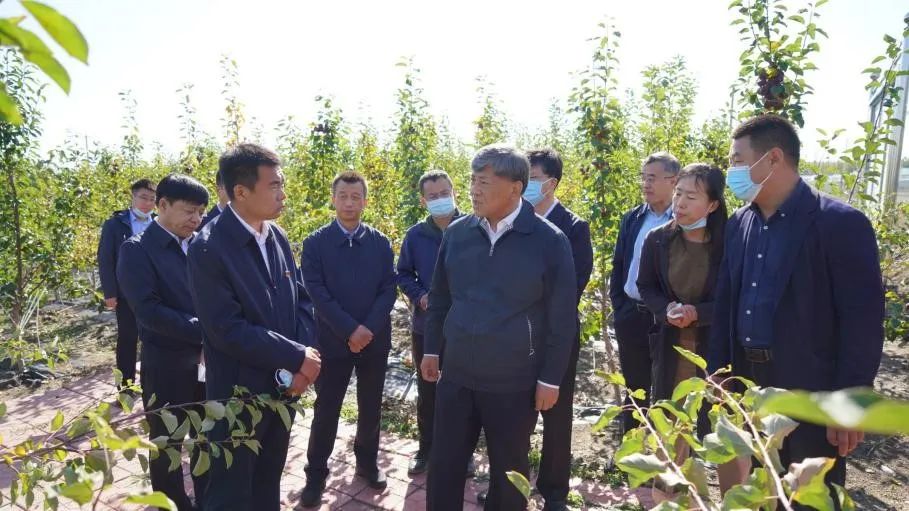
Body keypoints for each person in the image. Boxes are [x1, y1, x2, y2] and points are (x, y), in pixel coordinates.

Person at [708, 114, 885, 503]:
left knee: (811, 495)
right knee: (763, 490)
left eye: (738, 160)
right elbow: (726, 301)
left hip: (812, 389)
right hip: (751, 384)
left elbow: (862, 321)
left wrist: (850, 399)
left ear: (773, 158)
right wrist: (719, 370)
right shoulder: (739, 224)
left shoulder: (839, 224)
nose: (732, 170)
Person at [422, 145, 577, 511]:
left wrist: (550, 378)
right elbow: (440, 297)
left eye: (484, 182)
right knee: (444, 466)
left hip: (513, 382)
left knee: (509, 474)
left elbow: (562, 318)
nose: (474, 191)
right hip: (457, 375)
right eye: (472, 181)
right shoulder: (457, 234)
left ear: (515, 188)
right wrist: (431, 348)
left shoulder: (548, 241)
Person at [187, 143, 321, 511]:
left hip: (282, 388)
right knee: (231, 491)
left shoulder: (276, 236)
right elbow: (226, 329)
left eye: (282, 184)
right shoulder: (208, 248)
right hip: (239, 396)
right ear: (241, 192)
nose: (283, 194)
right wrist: (296, 356)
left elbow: (301, 301)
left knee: (268, 480)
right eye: (274, 185)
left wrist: (301, 364)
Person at [299, 171, 397, 507]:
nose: (349, 203)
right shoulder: (316, 243)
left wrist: (367, 328)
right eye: (343, 196)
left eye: (356, 197)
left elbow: (388, 288)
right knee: (327, 408)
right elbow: (316, 291)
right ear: (333, 199)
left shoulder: (379, 242)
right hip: (332, 341)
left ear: (365, 201)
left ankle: (367, 462)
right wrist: (349, 330)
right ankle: (316, 473)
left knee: (371, 406)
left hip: (373, 340)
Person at [117, 174, 210, 511]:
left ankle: (208, 499)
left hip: (206, 362)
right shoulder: (137, 249)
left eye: (200, 212)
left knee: (205, 436)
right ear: (163, 205)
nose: (196, 219)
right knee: (168, 443)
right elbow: (149, 311)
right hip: (167, 363)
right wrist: (209, 331)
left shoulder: (201, 245)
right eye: (189, 211)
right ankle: (172, 504)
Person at [523, 149, 594, 510]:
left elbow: (572, 287)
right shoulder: (515, 222)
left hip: (556, 335)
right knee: (514, 416)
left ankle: (554, 492)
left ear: (550, 183)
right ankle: (511, 483)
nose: (524, 185)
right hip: (516, 337)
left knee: (557, 416)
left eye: (532, 178)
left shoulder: (574, 228)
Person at [396, 169, 476, 477]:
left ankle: (463, 454)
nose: (440, 199)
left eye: (444, 193)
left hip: (466, 328)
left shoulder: (474, 228)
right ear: (423, 201)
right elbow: (403, 273)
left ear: (454, 192)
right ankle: (426, 449)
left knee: (465, 391)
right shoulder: (416, 235)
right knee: (427, 389)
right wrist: (421, 296)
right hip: (427, 327)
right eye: (433, 196)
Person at [608, 152, 680, 432]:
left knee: (667, 392)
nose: (646, 184)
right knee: (635, 391)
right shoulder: (633, 218)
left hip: (667, 319)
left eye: (652, 178)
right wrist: (619, 306)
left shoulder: (683, 220)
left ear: (673, 181)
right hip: (631, 315)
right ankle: (633, 451)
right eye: (644, 178)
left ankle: (665, 453)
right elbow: (619, 264)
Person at [98, 178, 157, 389]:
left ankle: (152, 384)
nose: (147, 203)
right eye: (143, 197)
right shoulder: (115, 224)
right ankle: (125, 388)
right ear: (133, 197)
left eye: (152, 199)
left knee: (155, 338)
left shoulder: (158, 222)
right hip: (126, 292)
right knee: (128, 339)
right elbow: (106, 259)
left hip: (155, 291)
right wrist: (110, 292)